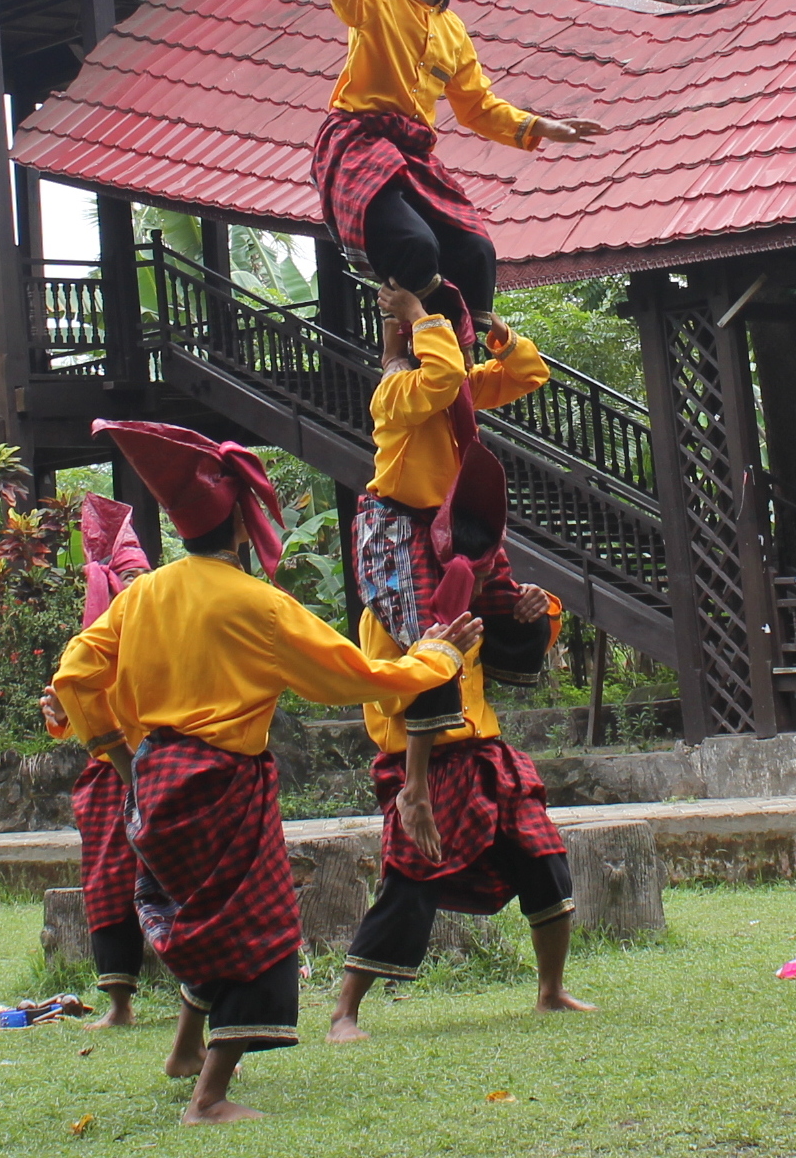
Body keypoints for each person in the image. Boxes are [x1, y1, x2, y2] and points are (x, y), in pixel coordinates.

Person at [55, 417, 479, 1125]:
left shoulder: (140, 596)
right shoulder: (258, 605)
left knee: (201, 914)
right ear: (241, 530)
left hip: (154, 781)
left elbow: (74, 674)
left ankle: (184, 1049)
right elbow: (359, 677)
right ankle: (209, 1099)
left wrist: (117, 754)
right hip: (220, 784)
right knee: (259, 930)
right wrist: (438, 656)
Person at [327, 280, 593, 1038]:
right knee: (410, 876)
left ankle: (549, 990)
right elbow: (438, 374)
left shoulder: (451, 404)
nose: (457, 351)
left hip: (479, 740)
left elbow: (526, 375)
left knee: (541, 855)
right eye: (444, 335)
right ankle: (345, 1010)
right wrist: (416, 316)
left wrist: (502, 338)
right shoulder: (398, 397)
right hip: (421, 751)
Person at [313, 0, 602, 325]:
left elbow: (478, 107)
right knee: (415, 244)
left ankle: (470, 351)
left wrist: (541, 126)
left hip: (413, 151)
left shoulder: (454, 32)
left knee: (476, 249)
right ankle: (410, 332)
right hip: (360, 141)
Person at [39, 490, 152, 1027]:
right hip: (111, 775)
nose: (129, 590)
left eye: (135, 580)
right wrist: (58, 714)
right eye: (122, 580)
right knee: (109, 882)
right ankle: (120, 1004)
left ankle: (204, 996)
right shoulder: (90, 642)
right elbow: (70, 717)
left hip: (165, 765)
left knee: (183, 880)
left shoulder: (161, 628)